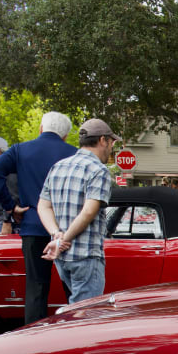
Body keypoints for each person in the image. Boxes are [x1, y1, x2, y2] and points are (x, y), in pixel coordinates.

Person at [0, 112, 78, 324]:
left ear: (40, 128)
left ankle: (34, 335)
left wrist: (11, 207)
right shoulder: (74, 154)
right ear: (65, 135)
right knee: (73, 287)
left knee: (36, 286)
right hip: (68, 227)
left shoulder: (20, 150)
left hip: (33, 223)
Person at [37, 118, 117, 304]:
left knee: (76, 308)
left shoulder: (58, 167)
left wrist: (56, 236)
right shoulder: (98, 170)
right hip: (85, 252)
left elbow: (43, 205)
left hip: (62, 255)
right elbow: (89, 211)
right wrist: (65, 238)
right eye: (112, 143)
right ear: (102, 140)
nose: (111, 148)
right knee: (87, 313)